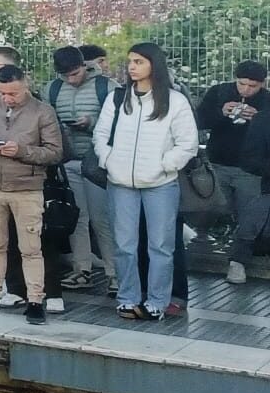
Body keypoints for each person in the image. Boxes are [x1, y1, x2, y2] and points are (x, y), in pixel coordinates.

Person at [93, 42, 198, 321]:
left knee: (161, 246)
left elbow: (188, 143)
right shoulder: (117, 98)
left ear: (154, 64)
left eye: (139, 61)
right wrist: (108, 160)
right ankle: (128, 298)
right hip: (120, 183)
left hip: (161, 184)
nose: (132, 66)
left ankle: (157, 302)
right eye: (130, 61)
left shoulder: (175, 101)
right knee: (125, 244)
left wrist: (165, 165)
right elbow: (100, 135)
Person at [0, 65, 65, 324]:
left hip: (28, 188)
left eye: (14, 93)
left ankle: (35, 299)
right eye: (3, 93)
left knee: (31, 248)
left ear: (25, 85)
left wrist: (21, 151)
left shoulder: (43, 111)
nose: (8, 98)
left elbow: (55, 152)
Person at [47, 45, 117, 293]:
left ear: (84, 66)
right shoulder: (53, 89)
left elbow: (119, 124)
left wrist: (91, 123)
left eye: (76, 73)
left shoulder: (106, 87)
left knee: (102, 219)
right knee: (76, 218)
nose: (72, 80)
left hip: (97, 163)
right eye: (66, 76)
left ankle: (114, 272)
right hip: (68, 161)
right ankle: (81, 269)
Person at [197, 61, 267, 254]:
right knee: (211, 209)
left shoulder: (267, 100)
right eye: (242, 83)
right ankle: (203, 244)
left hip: (250, 170)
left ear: (263, 84)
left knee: (249, 216)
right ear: (235, 79)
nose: (246, 90)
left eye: (252, 86)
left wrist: (259, 119)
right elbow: (199, 120)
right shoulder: (218, 92)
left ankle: (241, 255)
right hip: (217, 163)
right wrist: (221, 112)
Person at [229, 81, 270, 284]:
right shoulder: (263, 119)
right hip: (266, 183)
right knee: (256, 212)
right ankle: (238, 262)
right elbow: (251, 159)